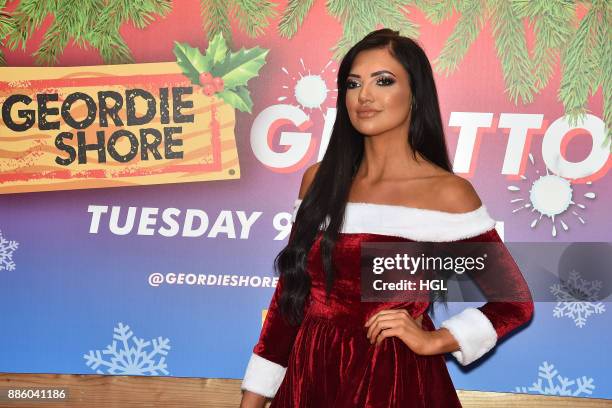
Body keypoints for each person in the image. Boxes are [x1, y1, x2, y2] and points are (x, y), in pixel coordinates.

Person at [239, 28, 534, 407]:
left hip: (392, 380)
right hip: (311, 375)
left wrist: (435, 339)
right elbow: (289, 300)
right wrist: (253, 400)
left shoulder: (446, 192)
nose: (365, 95)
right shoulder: (319, 179)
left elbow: (514, 303)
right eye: (353, 83)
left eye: (384, 81)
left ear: (415, 95)